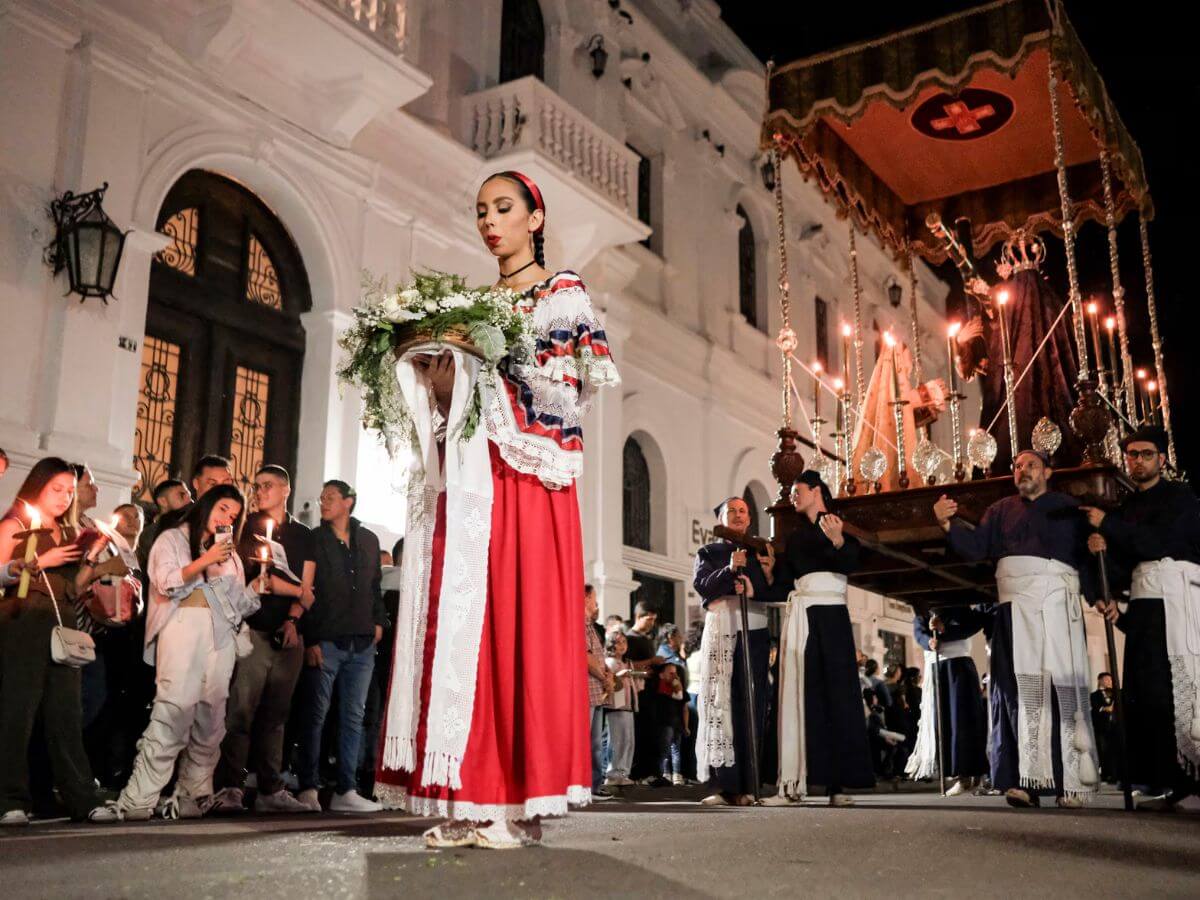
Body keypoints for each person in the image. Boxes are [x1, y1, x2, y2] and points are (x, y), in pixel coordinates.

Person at [375, 170, 619, 849]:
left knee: (517, 628)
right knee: (468, 633)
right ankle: (470, 797)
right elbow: (459, 402)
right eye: (482, 210)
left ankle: (512, 798)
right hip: (474, 477)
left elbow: (568, 395)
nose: (490, 221)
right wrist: (436, 372)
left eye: (504, 208)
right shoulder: (471, 303)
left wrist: (487, 359)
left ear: (535, 218)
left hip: (527, 481)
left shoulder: (560, 292)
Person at [934, 448, 1099, 809]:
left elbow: (1086, 558)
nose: (1023, 470)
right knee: (1014, 691)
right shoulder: (1000, 510)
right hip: (1014, 613)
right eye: (1017, 466)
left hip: (1058, 606)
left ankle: (1070, 782)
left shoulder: (1069, 510)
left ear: (1048, 472)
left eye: (1031, 465)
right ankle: (1022, 781)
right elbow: (976, 548)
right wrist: (948, 524)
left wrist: (1098, 591)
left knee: (1061, 688)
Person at [104, 484, 258, 821]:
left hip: (220, 637)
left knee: (211, 717)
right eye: (222, 509)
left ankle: (193, 795)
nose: (227, 518)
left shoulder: (230, 555)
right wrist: (204, 560)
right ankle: (139, 798)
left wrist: (260, 586)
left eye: (233, 515)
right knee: (173, 712)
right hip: (183, 628)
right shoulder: (173, 539)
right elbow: (164, 582)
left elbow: (239, 605)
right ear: (207, 506)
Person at [1083, 425, 1200, 809]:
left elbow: (1160, 542)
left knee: (1178, 691)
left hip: (1179, 602)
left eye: (1146, 454)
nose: (1137, 461)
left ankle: (1190, 780)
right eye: (1131, 454)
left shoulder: (1181, 498)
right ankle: (1162, 781)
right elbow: (1121, 566)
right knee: (1145, 692)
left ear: (1162, 459)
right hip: (1147, 606)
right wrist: (1104, 592)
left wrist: (1108, 527)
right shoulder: (1125, 508)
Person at [0, 458, 116, 825]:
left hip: (63, 627)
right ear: (38, 487)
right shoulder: (15, 525)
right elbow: (6, 573)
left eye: (70, 490)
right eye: (57, 489)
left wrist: (93, 558)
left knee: (66, 714)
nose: (65, 498)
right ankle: (9, 799)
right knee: (17, 713)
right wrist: (37, 561)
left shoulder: (68, 533)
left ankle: (81, 796)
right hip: (23, 624)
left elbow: (73, 589)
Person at [764, 472, 874, 807]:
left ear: (816, 491)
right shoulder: (796, 538)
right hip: (802, 618)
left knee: (837, 697)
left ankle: (837, 787)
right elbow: (784, 583)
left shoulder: (839, 525)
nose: (793, 496)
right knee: (798, 695)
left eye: (797, 491)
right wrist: (770, 572)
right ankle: (792, 781)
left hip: (833, 620)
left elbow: (854, 562)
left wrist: (839, 540)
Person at [214, 465, 315, 814]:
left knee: (276, 715)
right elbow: (261, 580)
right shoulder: (247, 528)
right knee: (240, 712)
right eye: (256, 486)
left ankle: (271, 788)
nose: (259, 491)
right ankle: (231, 786)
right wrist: (295, 590)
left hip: (288, 635)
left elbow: (310, 587)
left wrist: (292, 619)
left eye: (267, 485)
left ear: (285, 489)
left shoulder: (303, 535)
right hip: (253, 630)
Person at [295, 480, 388, 814]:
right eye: (321, 497)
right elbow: (307, 590)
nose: (323, 502)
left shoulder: (368, 539)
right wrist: (311, 637)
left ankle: (346, 789)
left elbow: (374, 585)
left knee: (353, 717)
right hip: (327, 640)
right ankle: (308, 785)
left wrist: (378, 623)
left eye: (330, 497)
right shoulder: (315, 540)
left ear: (349, 501)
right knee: (315, 716)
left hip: (362, 643)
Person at [693, 496, 773, 806]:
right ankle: (725, 786)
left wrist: (755, 583)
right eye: (732, 511)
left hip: (753, 629)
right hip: (722, 629)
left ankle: (751, 786)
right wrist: (729, 571)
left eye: (742, 511)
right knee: (721, 704)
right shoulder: (708, 552)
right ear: (722, 519)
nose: (738, 515)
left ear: (749, 518)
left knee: (749, 704)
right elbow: (702, 586)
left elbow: (772, 589)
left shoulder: (761, 551)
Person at [906, 606, 990, 795]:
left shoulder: (960, 609)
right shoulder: (923, 612)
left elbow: (969, 626)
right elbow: (919, 632)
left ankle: (972, 772)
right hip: (937, 670)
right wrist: (929, 641)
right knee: (944, 722)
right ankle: (959, 774)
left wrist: (944, 629)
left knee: (963, 721)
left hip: (959, 668)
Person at [586, 586, 615, 801]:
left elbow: (598, 656)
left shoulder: (590, 626)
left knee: (596, 742)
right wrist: (604, 677)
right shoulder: (580, 624)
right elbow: (586, 657)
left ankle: (595, 785)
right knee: (586, 741)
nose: (596, 603)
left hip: (596, 691)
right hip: (587, 689)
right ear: (586, 598)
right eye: (594, 598)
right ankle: (583, 787)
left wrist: (608, 674)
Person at [604, 631, 638, 787]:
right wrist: (619, 675)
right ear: (611, 645)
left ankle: (623, 773)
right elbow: (609, 681)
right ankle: (613, 774)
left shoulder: (627, 663)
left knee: (628, 740)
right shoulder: (609, 662)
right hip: (616, 706)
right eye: (618, 642)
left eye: (624, 642)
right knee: (617, 740)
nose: (622, 645)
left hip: (627, 706)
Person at [138, 479, 192, 570]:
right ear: (163, 501)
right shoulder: (150, 534)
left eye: (189, 496)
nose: (189, 500)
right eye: (182, 495)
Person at [1089, 673, 1117, 785]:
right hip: (1101, 727)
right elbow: (1095, 708)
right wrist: (1105, 708)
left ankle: (1115, 775)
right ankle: (1105, 775)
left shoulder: (1115, 693)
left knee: (1114, 751)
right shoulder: (1094, 695)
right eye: (1106, 679)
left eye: (1110, 679)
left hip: (1114, 727)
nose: (1109, 681)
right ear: (1100, 681)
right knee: (1103, 750)